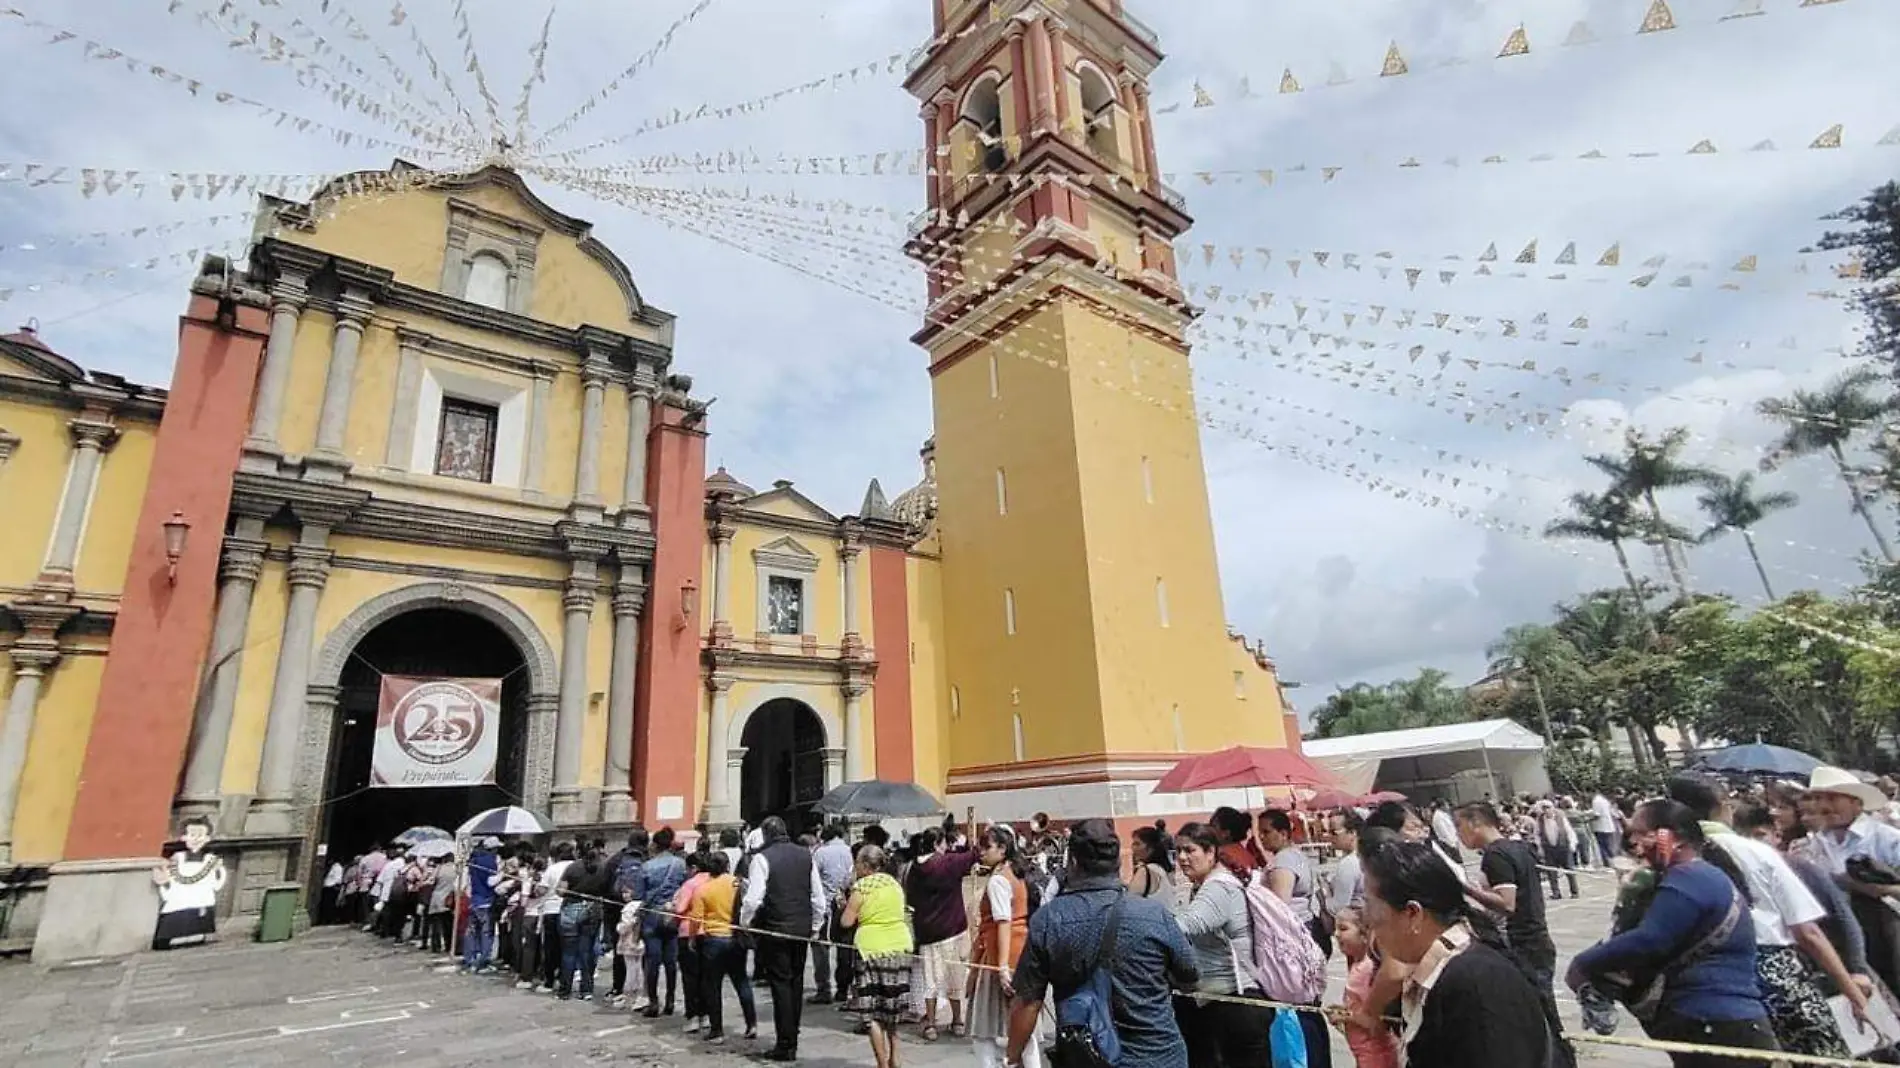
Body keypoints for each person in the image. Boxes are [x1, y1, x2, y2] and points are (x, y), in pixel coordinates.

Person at [1568, 800, 1780, 1067]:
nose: (1634, 843)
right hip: (1711, 1022)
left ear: (1674, 838)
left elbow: (1650, 939)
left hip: (1715, 1021)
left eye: (1642, 832)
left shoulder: (1690, 878)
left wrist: (1582, 964)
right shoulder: (1688, 877)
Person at [1668, 776, 1865, 1057]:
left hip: (1708, 985)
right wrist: (1853, 993)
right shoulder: (1758, 852)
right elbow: (1808, 932)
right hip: (1776, 973)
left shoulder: (1667, 862)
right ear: (1725, 807)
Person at [1006, 818, 1199, 1068]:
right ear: (1118, 862)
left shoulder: (1049, 920)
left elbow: (1028, 1001)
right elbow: (1190, 975)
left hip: (1087, 1056)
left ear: (1072, 861)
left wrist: (1012, 1057)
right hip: (1158, 1054)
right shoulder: (1154, 914)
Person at [1361, 839, 1552, 1066]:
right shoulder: (1437, 973)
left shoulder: (1475, 982)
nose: (1366, 918)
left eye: (1370, 904)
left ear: (1412, 913)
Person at [1453, 802, 1570, 1065]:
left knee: (1540, 1013)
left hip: (1523, 942)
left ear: (1476, 823)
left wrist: (1467, 889)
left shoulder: (1496, 855)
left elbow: (1507, 903)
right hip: (1536, 938)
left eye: (1460, 826)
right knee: (1543, 1010)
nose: (1459, 835)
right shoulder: (1515, 848)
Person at [1170, 822, 1272, 1068]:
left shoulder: (1218, 887)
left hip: (1236, 1002)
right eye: (1178, 852)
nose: (1182, 858)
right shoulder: (1206, 884)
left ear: (1211, 852)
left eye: (1190, 850)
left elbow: (1184, 926)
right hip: (1223, 1002)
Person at [741, 815, 828, 1061]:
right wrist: (815, 926)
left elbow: (753, 898)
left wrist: (745, 923)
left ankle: (785, 1042)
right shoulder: (805, 855)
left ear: (767, 835)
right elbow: (817, 897)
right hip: (800, 928)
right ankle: (793, 1036)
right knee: (796, 982)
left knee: (780, 984)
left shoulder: (761, 858)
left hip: (775, 928)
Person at [967, 826, 1039, 1068]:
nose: (981, 852)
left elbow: (1003, 922)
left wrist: (1002, 967)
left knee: (982, 1028)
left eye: (987, 847)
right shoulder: (1016, 873)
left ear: (1002, 849)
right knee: (1023, 1027)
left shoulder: (999, 879)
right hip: (1020, 952)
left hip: (1000, 957)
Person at [904, 823, 978, 1040]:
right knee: (954, 977)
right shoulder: (947, 863)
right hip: (952, 929)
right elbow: (973, 856)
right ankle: (957, 1021)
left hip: (926, 931)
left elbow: (911, 899)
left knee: (930, 980)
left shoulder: (913, 869)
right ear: (938, 844)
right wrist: (967, 842)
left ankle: (931, 1024)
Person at [844, 844, 912, 1068]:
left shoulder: (862, 887)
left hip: (871, 948)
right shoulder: (894, 884)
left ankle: (882, 1063)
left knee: (872, 1011)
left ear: (864, 865)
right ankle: (896, 1056)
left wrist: (843, 905)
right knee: (891, 1007)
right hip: (899, 946)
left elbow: (846, 921)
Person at [689, 851, 757, 1044]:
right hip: (736, 938)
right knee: (741, 981)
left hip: (714, 939)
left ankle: (717, 1030)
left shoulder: (703, 889)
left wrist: (693, 939)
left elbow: (695, 919)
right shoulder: (738, 883)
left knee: (713, 985)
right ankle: (751, 1023)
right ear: (727, 866)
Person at [1332, 906, 1400, 1068]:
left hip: (1376, 1055)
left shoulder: (1367, 970)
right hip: (1364, 1053)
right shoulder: (1357, 964)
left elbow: (1377, 1022)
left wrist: (1345, 1017)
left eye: (1343, 928)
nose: (1336, 934)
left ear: (1364, 935)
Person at [640, 827, 689, 1016]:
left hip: (652, 914)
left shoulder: (647, 867)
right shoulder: (680, 864)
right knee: (670, 961)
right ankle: (670, 999)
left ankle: (653, 1001)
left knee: (652, 961)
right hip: (672, 913)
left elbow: (640, 893)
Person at [812, 821, 855, 1004]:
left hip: (825, 905)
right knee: (844, 949)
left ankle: (824, 988)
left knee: (821, 948)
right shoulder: (850, 851)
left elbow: (813, 880)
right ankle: (843, 988)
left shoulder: (820, 853)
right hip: (847, 904)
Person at [673, 854, 713, 1032]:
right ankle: (707, 1014)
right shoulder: (714, 880)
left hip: (689, 932)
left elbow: (680, 908)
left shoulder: (690, 884)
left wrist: (670, 911)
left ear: (694, 868)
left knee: (690, 977)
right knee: (706, 976)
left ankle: (693, 1015)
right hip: (710, 931)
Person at [1533, 801, 1581, 899]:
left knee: (1569, 870)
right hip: (1549, 848)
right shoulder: (1540, 820)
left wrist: (1572, 844)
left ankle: (1574, 892)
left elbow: (1569, 831)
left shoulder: (1560, 817)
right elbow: (1537, 834)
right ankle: (1556, 892)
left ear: (1552, 808)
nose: (1547, 810)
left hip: (1563, 847)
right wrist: (1539, 847)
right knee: (1552, 872)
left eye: (1548, 808)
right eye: (1544, 808)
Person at [1126, 825, 1177, 905]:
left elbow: (1129, 902)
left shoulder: (1146, 871)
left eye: (1137, 844)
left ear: (1151, 847)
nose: (1133, 848)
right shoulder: (1163, 870)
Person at [1590, 791, 1621, 867]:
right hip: (1609, 826)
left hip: (1601, 827)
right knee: (1608, 846)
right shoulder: (1605, 800)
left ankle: (1607, 863)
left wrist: (1588, 819)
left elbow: (1597, 815)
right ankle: (1613, 861)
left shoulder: (1596, 801)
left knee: (1602, 846)